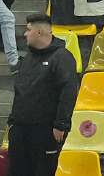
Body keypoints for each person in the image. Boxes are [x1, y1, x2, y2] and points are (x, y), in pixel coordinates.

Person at [8, 13, 77, 176]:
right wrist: (12, 121)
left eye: (28, 30)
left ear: (39, 32)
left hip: (45, 130)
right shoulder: (28, 58)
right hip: (20, 129)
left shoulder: (62, 57)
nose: (25, 34)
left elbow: (69, 91)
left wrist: (61, 124)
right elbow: (20, 91)